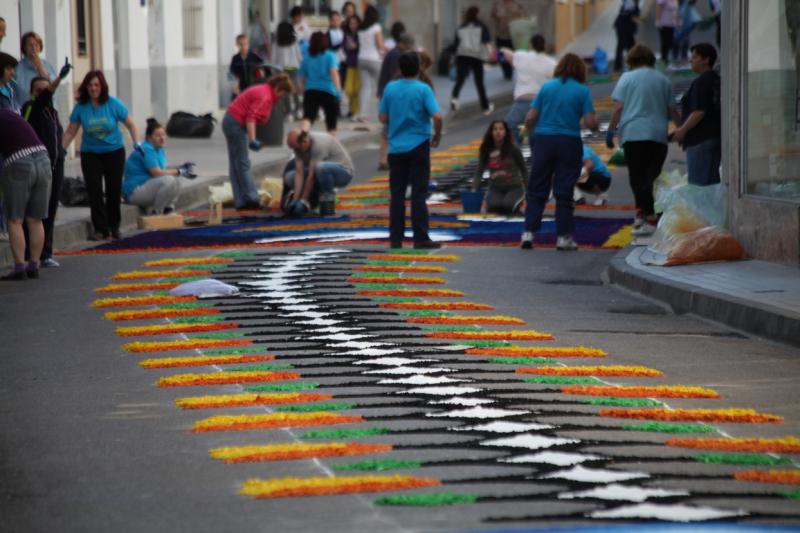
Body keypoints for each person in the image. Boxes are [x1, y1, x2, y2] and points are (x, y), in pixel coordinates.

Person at [522, 53, 598, 251]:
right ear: (580, 70)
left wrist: (530, 130)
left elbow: (531, 116)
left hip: (544, 140)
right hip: (568, 142)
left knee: (537, 186)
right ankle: (564, 237)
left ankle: (528, 233)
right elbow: (590, 122)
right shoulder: (582, 91)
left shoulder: (547, 87)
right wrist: (596, 128)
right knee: (564, 190)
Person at [62, 70, 141, 241]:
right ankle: (100, 229)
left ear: (102, 86)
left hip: (114, 152)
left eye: (96, 85)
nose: (93, 88)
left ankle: (114, 227)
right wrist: (60, 150)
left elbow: (132, 124)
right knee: (94, 191)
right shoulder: (81, 107)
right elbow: (70, 131)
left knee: (113, 191)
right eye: (90, 85)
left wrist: (137, 143)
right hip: (90, 154)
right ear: (86, 87)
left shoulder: (113, 104)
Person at [606, 44, 674, 235]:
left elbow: (619, 107)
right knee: (649, 177)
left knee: (637, 177)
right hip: (657, 135)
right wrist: (681, 130)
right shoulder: (663, 80)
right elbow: (672, 110)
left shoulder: (626, 78)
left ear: (631, 60)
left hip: (633, 134)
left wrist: (610, 131)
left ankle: (648, 217)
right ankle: (641, 214)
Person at [379, 51, 443, 249]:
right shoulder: (423, 90)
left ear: (400, 68)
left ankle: (396, 239)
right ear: (418, 68)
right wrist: (437, 135)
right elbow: (438, 116)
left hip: (396, 148)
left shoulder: (390, 88)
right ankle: (421, 238)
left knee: (397, 195)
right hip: (418, 146)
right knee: (418, 193)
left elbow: (382, 117)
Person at [20, 58, 71, 267]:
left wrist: (62, 152)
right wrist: (58, 78)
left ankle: (45, 253)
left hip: (55, 164)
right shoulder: (30, 107)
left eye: (45, 89)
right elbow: (45, 97)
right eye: (39, 90)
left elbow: (57, 135)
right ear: (32, 93)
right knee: (34, 211)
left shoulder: (52, 112)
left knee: (50, 208)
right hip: (37, 165)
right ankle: (28, 254)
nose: (44, 92)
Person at [222, 73, 294, 210]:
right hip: (236, 123)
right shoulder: (265, 96)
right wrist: (252, 139)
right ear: (279, 89)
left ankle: (241, 201)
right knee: (242, 162)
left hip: (231, 120)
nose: (282, 97)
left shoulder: (264, 90)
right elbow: (251, 118)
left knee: (236, 163)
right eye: (283, 94)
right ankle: (251, 198)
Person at [0, 109, 52, 280]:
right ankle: (34, 265)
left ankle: (20, 267)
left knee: (15, 219)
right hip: (43, 158)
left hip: (18, 161)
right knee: (35, 219)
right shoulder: (9, 114)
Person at [670, 43, 721, 187]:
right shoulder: (715, 79)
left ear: (706, 60)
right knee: (710, 183)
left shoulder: (702, 82)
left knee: (699, 185)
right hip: (713, 137)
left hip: (700, 140)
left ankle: (702, 210)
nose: (691, 60)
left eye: (695, 57)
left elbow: (699, 111)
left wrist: (682, 130)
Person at [123, 118, 196, 215]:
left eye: (163, 135)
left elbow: (164, 169)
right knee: (169, 180)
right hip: (134, 191)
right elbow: (156, 172)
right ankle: (156, 212)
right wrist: (179, 171)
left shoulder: (159, 148)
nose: (162, 138)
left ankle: (168, 209)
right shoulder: (146, 149)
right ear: (149, 137)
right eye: (157, 136)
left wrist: (181, 168)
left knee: (177, 179)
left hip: (147, 186)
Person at [500, 34, 556, 145]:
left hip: (523, 101)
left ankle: (517, 148)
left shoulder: (522, 56)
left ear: (530, 45)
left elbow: (506, 54)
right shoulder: (552, 63)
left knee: (509, 125)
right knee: (535, 132)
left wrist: (501, 50)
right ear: (544, 46)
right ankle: (535, 156)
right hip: (541, 103)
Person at [283, 128, 354, 216]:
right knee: (290, 177)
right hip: (320, 173)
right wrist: (295, 199)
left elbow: (311, 177)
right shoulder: (299, 147)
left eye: (296, 149)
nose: (295, 151)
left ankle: (328, 200)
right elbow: (299, 173)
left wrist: (303, 201)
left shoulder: (318, 144)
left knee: (320, 168)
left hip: (343, 172)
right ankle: (313, 202)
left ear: (304, 142)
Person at [376, 32, 415, 171]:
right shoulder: (396, 55)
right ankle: (383, 160)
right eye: (409, 46)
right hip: (391, 94)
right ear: (403, 43)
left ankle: (386, 159)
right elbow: (396, 76)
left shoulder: (395, 53)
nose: (410, 48)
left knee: (390, 127)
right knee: (388, 128)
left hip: (388, 92)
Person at [471, 120, 527, 215]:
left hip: (514, 188)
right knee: (494, 207)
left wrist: (529, 190)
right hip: (495, 188)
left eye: (501, 129)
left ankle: (518, 208)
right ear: (491, 132)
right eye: (495, 129)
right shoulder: (486, 149)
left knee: (508, 206)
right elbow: (479, 172)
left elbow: (524, 170)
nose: (498, 132)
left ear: (505, 132)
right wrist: (473, 189)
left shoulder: (513, 148)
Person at [450, 6, 494, 115]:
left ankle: (454, 99)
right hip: (476, 57)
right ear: (477, 14)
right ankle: (485, 107)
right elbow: (487, 42)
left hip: (462, 56)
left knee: (460, 80)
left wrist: (453, 57)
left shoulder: (461, 27)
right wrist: (492, 55)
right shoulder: (482, 26)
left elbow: (456, 44)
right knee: (479, 83)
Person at [298, 31, 341, 134]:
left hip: (311, 90)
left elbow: (301, 78)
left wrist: (302, 90)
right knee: (331, 123)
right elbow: (334, 73)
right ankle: (331, 144)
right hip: (328, 91)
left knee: (308, 118)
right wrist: (338, 90)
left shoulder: (307, 58)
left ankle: (302, 137)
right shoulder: (330, 55)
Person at [356, 4, 386, 122]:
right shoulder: (376, 27)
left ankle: (363, 115)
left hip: (361, 59)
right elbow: (380, 45)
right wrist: (388, 48)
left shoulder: (361, 28)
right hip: (374, 60)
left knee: (365, 88)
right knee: (382, 87)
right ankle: (385, 113)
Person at [14, 32, 58, 107]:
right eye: (30, 45)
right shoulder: (18, 68)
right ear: (24, 47)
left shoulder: (47, 65)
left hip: (46, 110)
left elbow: (53, 85)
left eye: (36, 45)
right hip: (25, 110)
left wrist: (40, 66)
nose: (34, 48)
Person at [273, 21, 302, 120]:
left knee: (285, 91)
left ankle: (289, 113)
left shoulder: (276, 43)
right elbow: (299, 56)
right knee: (294, 90)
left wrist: (274, 71)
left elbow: (274, 58)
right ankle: (298, 111)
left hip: (282, 69)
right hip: (293, 68)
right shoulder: (294, 41)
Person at [490, 0, 524, 80]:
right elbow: (492, 17)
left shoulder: (517, 4)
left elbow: (522, 17)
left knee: (513, 54)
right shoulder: (497, 5)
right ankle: (505, 71)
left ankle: (510, 71)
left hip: (513, 36)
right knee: (500, 55)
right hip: (500, 34)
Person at [229, 34, 263, 98]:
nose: (243, 46)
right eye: (241, 44)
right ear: (237, 45)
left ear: (248, 44)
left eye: (245, 44)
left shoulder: (255, 57)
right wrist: (235, 85)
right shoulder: (235, 59)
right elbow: (232, 74)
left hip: (253, 88)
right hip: (241, 89)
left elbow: (264, 71)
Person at [342, 15, 361, 118]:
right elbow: (344, 46)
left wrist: (355, 46)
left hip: (358, 65)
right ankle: (351, 109)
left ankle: (354, 110)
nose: (353, 25)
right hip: (350, 64)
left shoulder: (360, 35)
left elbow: (358, 46)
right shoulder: (347, 35)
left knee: (356, 89)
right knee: (349, 89)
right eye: (351, 23)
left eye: (355, 23)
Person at [614, 0, 640, 72]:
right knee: (624, 46)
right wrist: (639, 20)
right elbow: (633, 17)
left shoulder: (632, 2)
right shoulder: (630, 2)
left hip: (625, 27)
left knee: (629, 46)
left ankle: (629, 64)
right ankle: (619, 66)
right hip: (623, 27)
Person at [656, 0, 679, 66]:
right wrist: (658, 20)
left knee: (671, 41)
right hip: (664, 23)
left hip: (672, 24)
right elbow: (659, 8)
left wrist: (677, 20)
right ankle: (664, 59)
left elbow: (675, 10)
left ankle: (669, 58)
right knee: (665, 42)